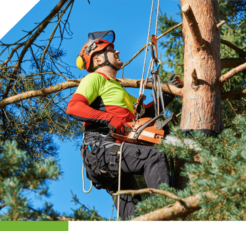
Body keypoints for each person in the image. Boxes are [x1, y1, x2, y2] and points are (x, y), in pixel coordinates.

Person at [66, 30, 183, 220]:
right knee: (153, 157)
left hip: (113, 152)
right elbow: (73, 107)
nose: (117, 51)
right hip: (101, 147)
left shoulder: (120, 92)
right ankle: (167, 212)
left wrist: (168, 95)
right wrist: (109, 119)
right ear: (97, 60)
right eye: (110, 50)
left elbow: (146, 115)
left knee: (133, 214)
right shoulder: (95, 78)